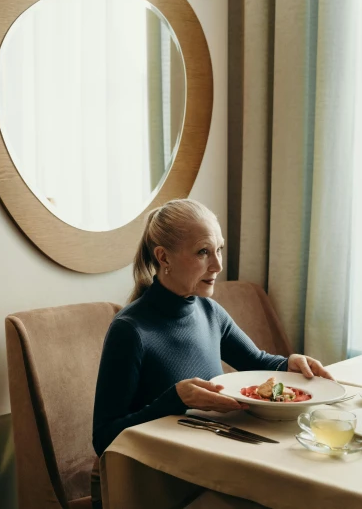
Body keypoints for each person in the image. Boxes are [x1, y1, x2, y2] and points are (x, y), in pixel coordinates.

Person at [90, 199, 333, 506]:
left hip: (210, 465)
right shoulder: (130, 330)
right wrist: (175, 399)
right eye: (203, 252)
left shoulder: (209, 311)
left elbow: (256, 361)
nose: (218, 265)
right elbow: (104, 438)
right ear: (163, 257)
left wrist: (290, 363)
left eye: (219, 249)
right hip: (157, 480)